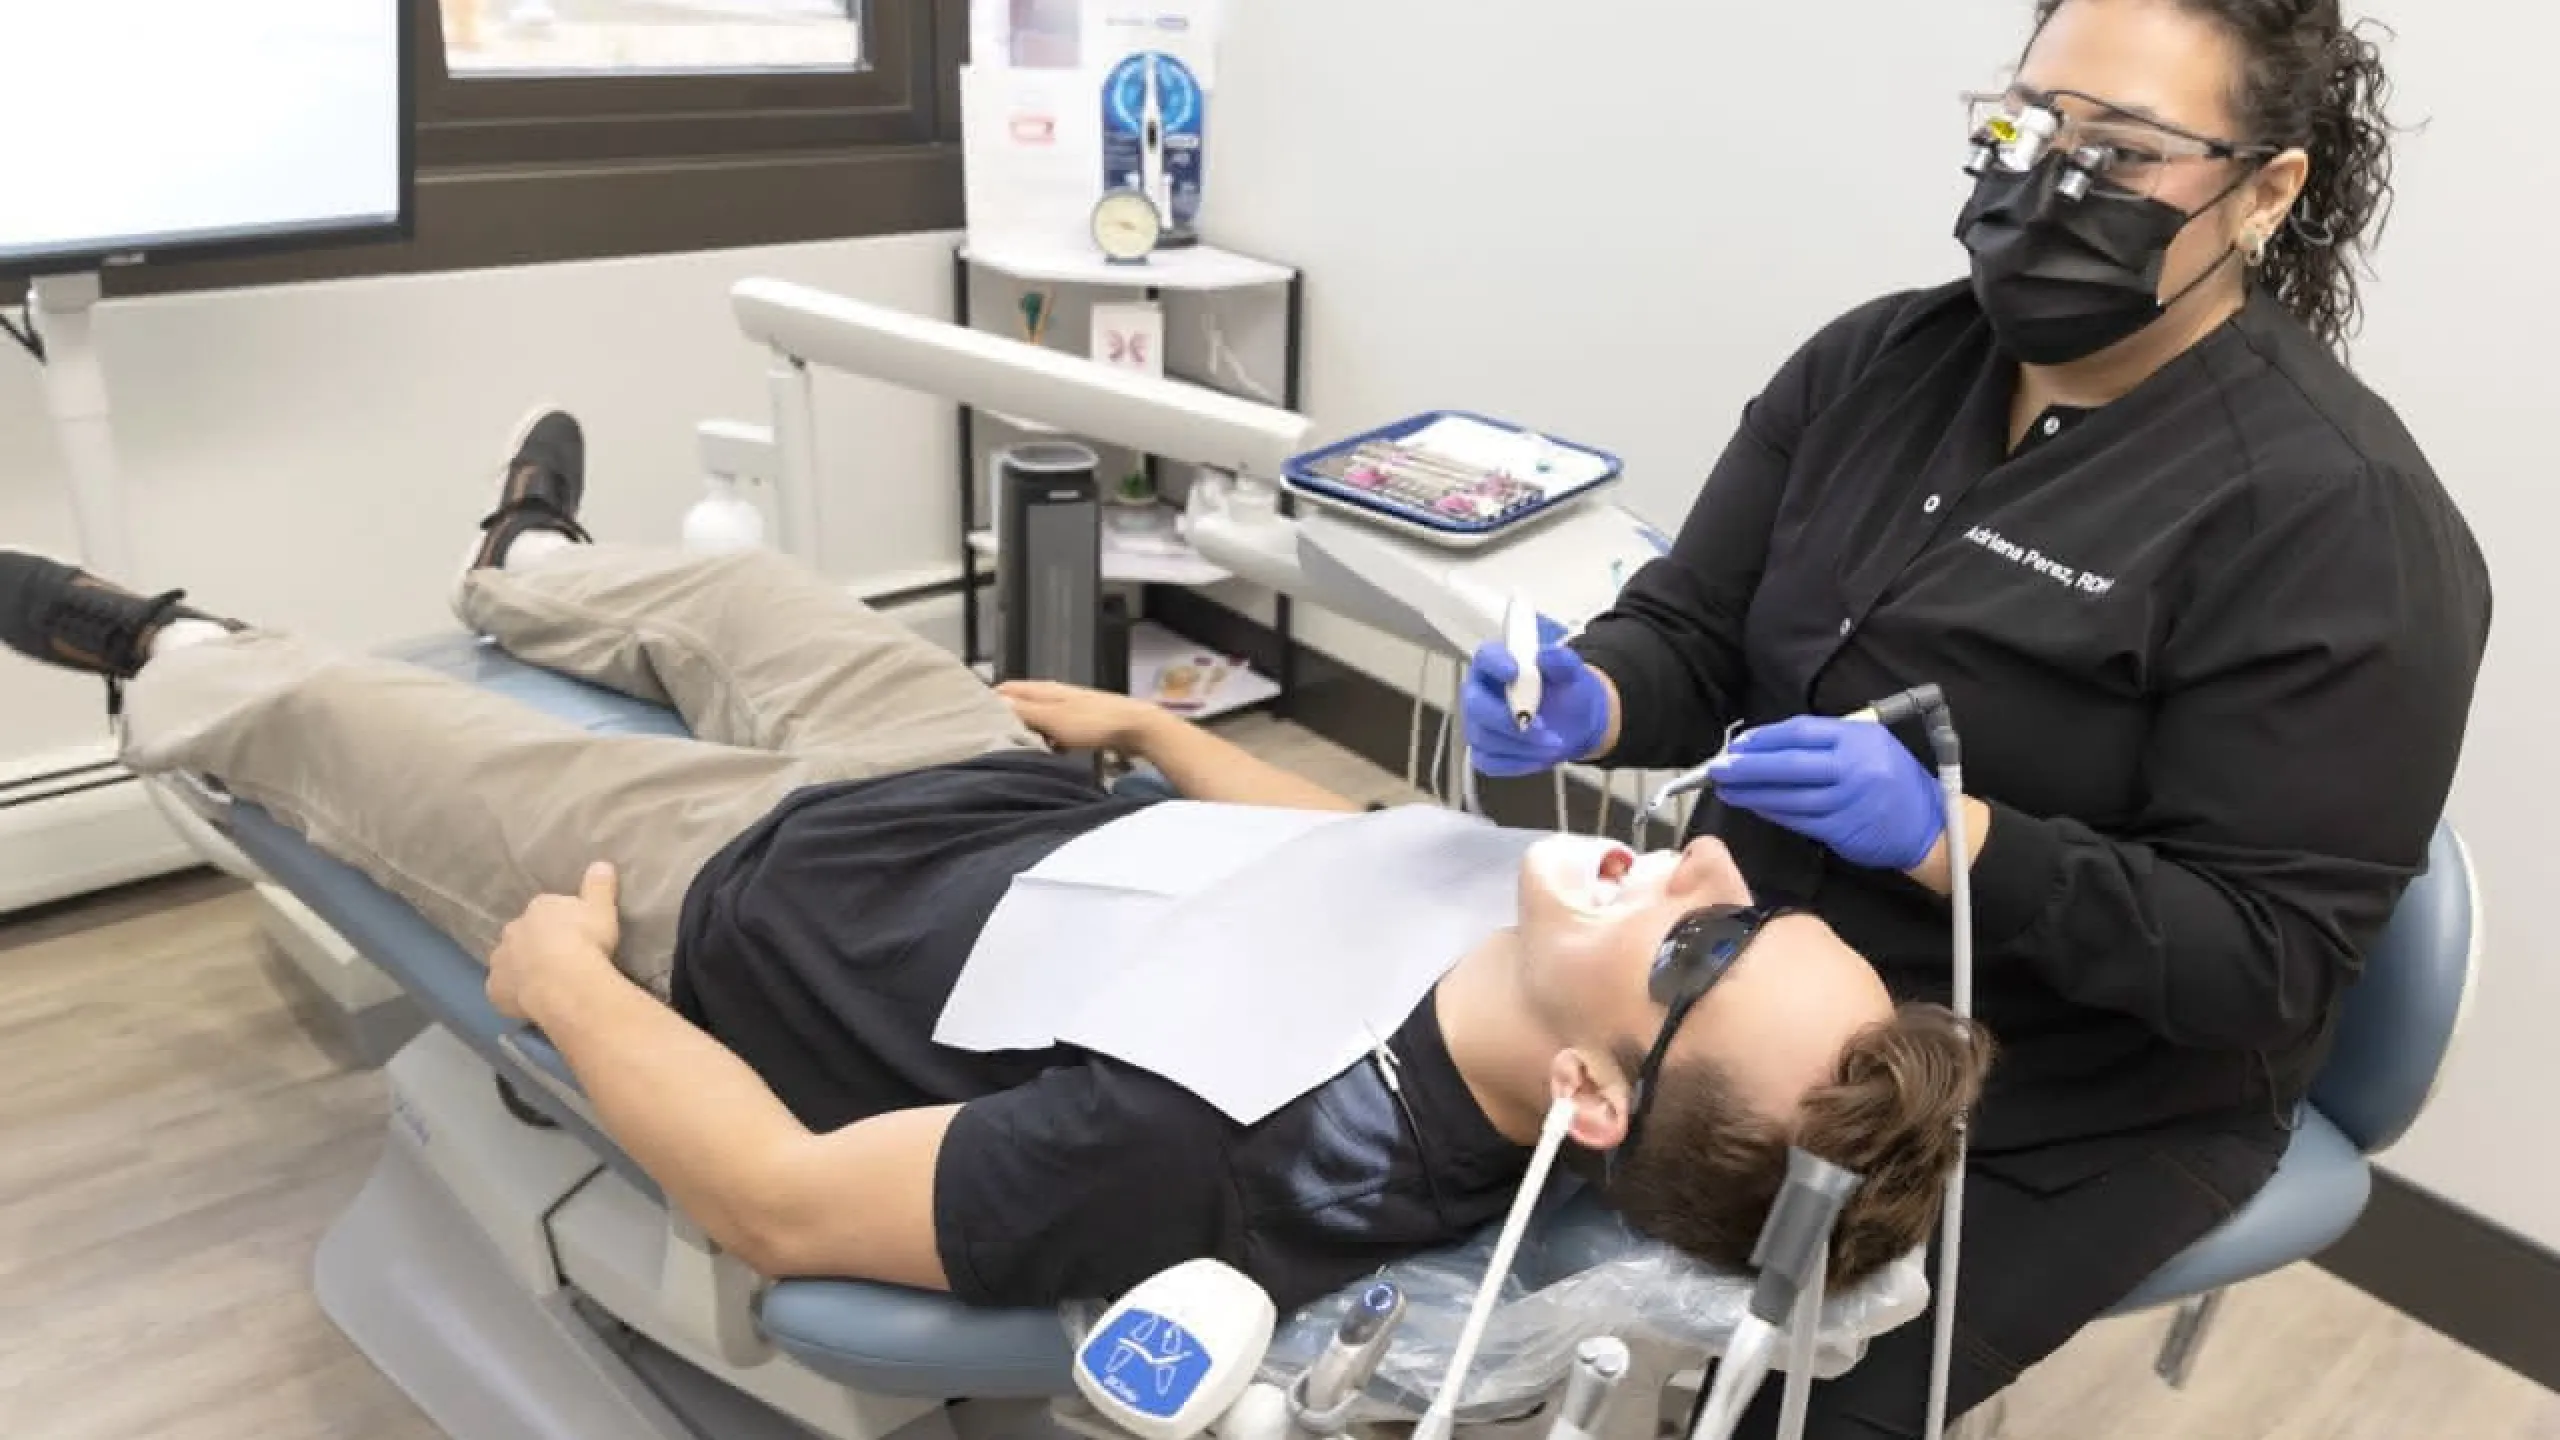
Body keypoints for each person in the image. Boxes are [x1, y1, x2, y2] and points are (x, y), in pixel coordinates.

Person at [0, 409, 1992, 1321]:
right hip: (977, 794)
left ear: (1585, 1091)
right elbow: (1354, 852)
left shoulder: (1199, 1159)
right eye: (1749, 893)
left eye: (1700, 957)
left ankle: (150, 642)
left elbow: (779, 1205)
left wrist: (572, 991)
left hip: (746, 893)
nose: (1698, 873)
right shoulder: (1526, 925)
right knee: (744, 590)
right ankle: (525, 568)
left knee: (350, 719)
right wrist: (1141, 732)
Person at [1463, 0, 2491, 1434]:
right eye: (2028, 125)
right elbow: (1699, 630)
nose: (2050, 181)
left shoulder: (2339, 525)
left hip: (2055, 1096)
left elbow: (2263, 963)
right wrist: (1595, 694)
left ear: (2267, 189)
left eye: (2123, 153)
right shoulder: (1879, 366)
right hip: (1731, 988)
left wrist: (1954, 839)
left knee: (1779, 1415)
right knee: (1398, 1184)